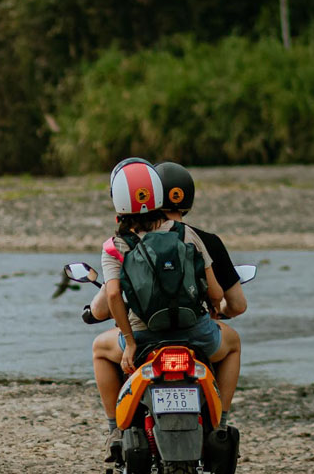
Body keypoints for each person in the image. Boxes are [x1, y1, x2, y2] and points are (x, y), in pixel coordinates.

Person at [88, 159, 234, 425]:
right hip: (195, 333)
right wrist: (213, 308)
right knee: (233, 344)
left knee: (99, 349)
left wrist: (130, 342)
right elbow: (215, 292)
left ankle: (114, 430)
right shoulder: (186, 233)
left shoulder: (114, 246)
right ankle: (221, 421)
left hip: (144, 337)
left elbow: (112, 297)